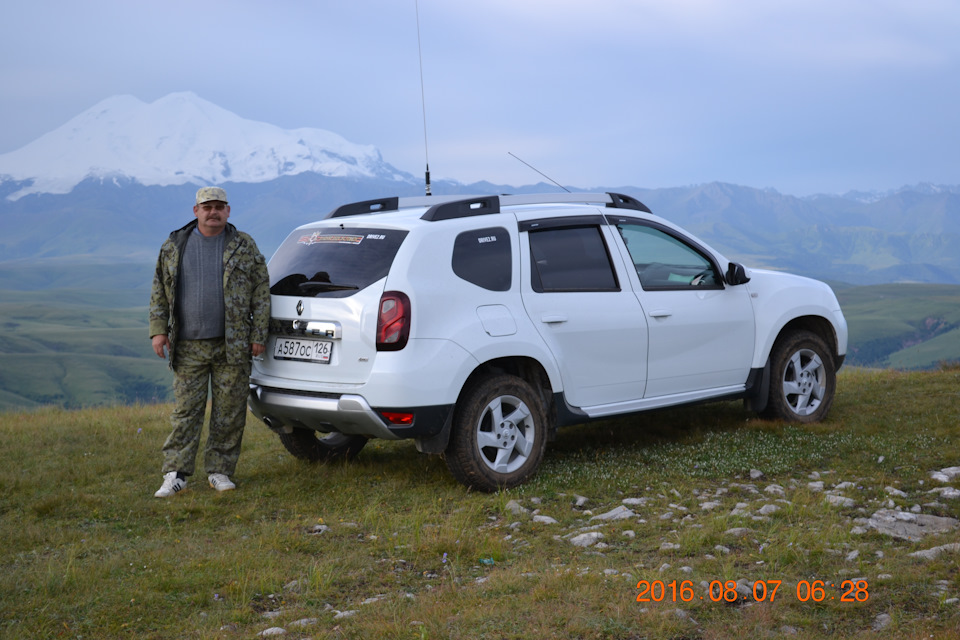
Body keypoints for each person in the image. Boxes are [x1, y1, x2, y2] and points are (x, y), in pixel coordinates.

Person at [149, 186, 270, 497]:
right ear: (196, 211)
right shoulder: (174, 245)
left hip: (233, 344)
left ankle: (220, 471)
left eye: (219, 206)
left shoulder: (244, 245)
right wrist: (158, 330)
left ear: (228, 211)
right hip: (188, 345)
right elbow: (159, 291)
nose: (213, 212)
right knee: (186, 412)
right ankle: (175, 473)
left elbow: (260, 292)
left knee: (229, 412)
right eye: (207, 207)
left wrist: (258, 335)